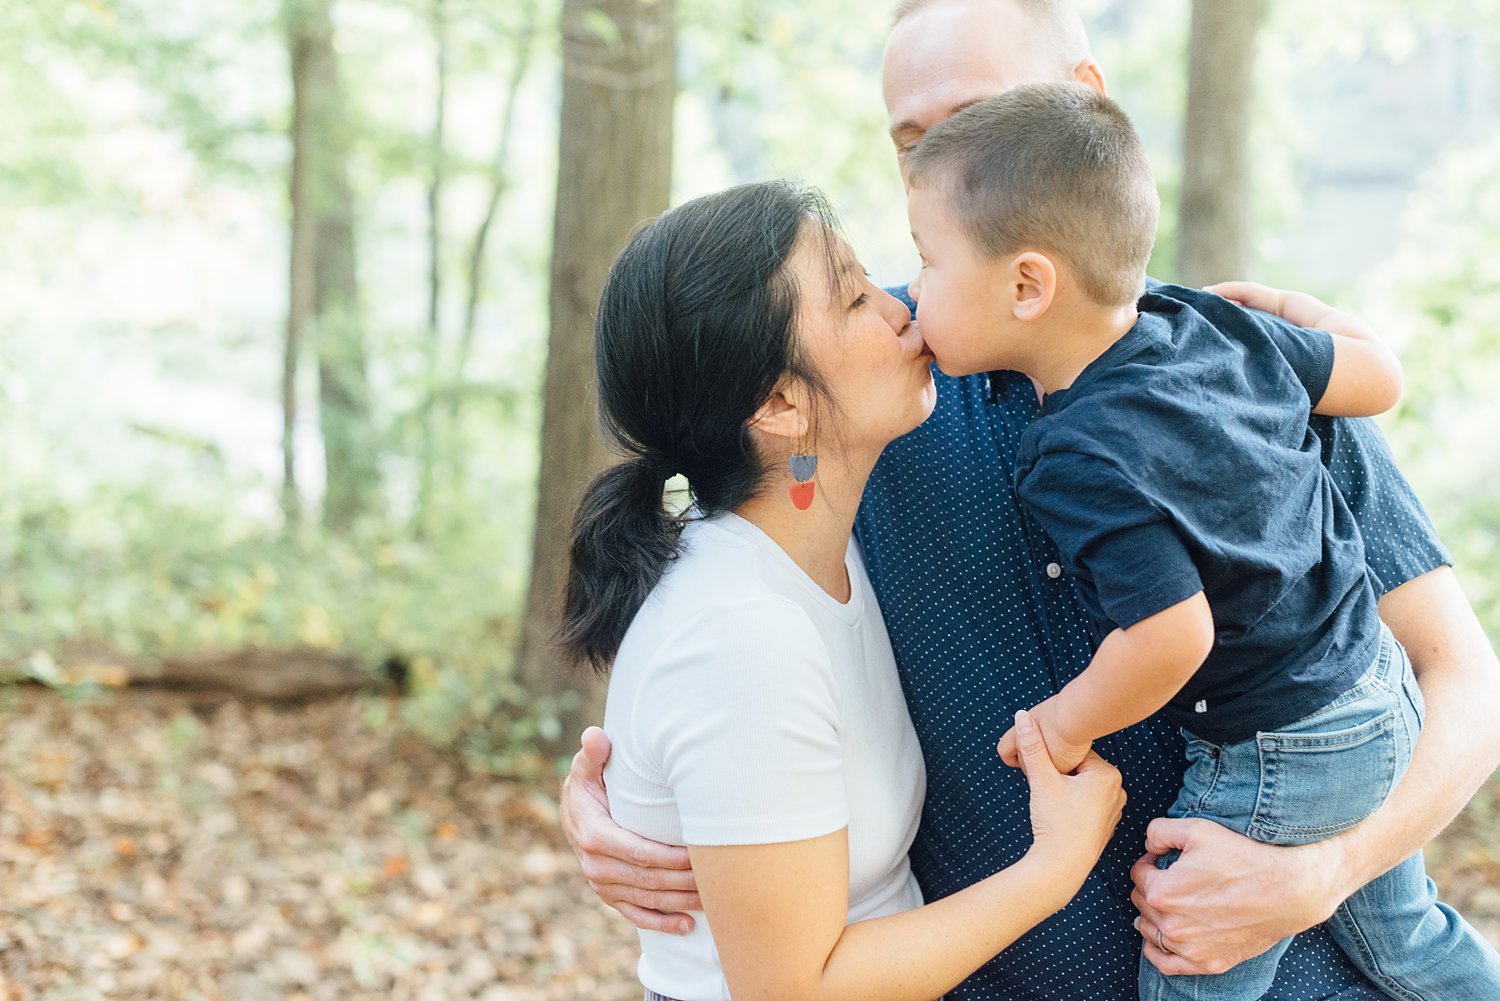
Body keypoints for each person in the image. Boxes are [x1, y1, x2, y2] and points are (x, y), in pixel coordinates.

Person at [561, 2, 1500, 998]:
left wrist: (1317, 875)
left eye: (976, 119)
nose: (946, 165)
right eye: (914, 143)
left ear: (1084, 106)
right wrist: (638, 813)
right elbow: (729, 611)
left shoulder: (1222, 359)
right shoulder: (875, 388)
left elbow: (1464, 685)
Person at [904, 81, 1500, 1000]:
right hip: (1376, 694)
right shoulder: (1213, 324)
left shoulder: (1074, 451)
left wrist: (1062, 724)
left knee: (1191, 960)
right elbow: (1379, 378)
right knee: (1410, 941)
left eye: (926, 262)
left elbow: (1175, 636)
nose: (913, 291)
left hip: (1282, 750)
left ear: (1028, 283)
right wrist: (1297, 312)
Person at [560, 179, 1126, 1001]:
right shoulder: (738, 633)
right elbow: (795, 987)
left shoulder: (819, 551)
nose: (902, 309)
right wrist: (1053, 869)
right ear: (781, 403)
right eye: (857, 296)